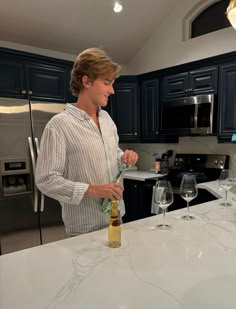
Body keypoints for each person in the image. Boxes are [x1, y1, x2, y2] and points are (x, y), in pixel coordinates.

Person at [35, 48, 138, 236]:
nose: (112, 90)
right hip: (84, 227)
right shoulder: (59, 125)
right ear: (86, 81)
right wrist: (93, 190)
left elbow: (111, 155)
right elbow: (46, 180)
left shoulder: (107, 119)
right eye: (107, 83)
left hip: (116, 217)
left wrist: (124, 158)